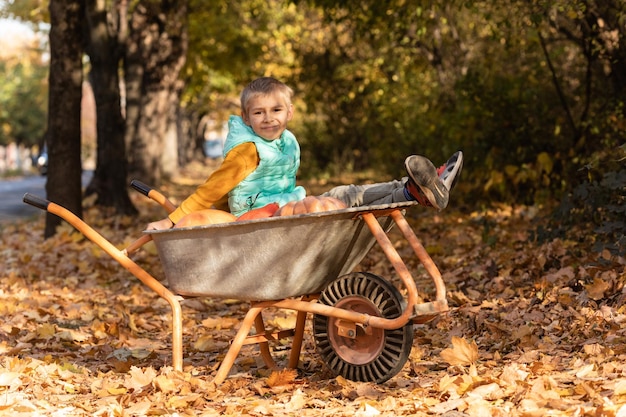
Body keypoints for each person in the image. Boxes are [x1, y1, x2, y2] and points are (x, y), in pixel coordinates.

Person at [147, 77, 463, 230]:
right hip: (263, 221)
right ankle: (410, 192)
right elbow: (213, 189)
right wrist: (175, 221)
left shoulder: (285, 141)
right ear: (246, 118)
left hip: (284, 211)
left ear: (290, 113)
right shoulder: (247, 150)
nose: (268, 118)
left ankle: (411, 189)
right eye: (258, 113)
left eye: (276, 110)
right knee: (337, 202)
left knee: (347, 193)